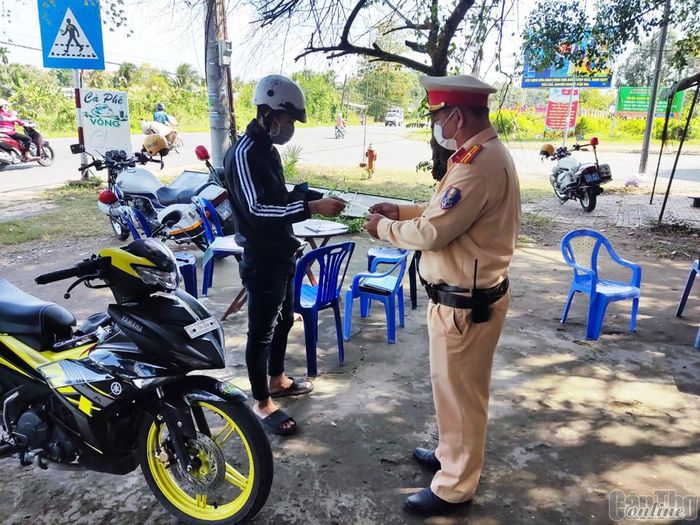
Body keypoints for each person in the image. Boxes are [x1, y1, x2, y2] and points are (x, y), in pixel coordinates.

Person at [364, 74, 521, 515]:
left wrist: (384, 228)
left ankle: (454, 486)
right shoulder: (477, 157)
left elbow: (434, 232)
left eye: (437, 116)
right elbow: (443, 211)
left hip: (465, 305)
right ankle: (452, 453)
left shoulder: (477, 165)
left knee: (462, 393)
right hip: (465, 299)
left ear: (456, 116)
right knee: (453, 389)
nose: (436, 124)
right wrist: (402, 211)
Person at [223, 74, 346, 436]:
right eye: (288, 119)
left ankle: (276, 379)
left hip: (282, 251)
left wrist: (306, 197)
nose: (290, 127)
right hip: (262, 256)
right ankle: (261, 402)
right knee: (260, 331)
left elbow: (276, 198)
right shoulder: (244, 152)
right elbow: (258, 210)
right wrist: (311, 208)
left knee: (284, 320)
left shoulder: (268, 151)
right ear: (268, 112)